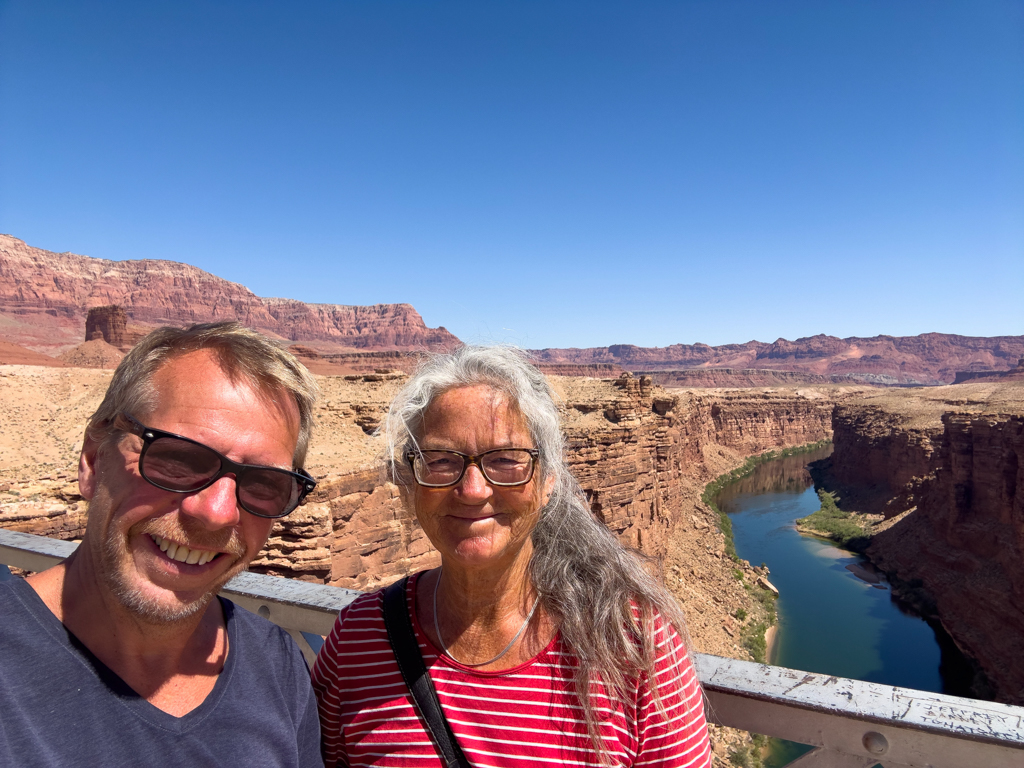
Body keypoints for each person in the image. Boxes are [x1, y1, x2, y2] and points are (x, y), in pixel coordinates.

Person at [312, 345, 712, 767]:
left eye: (506, 460)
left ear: (548, 481)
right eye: (440, 460)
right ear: (410, 482)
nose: (473, 489)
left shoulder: (632, 641)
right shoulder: (358, 638)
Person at [0, 322, 324, 767]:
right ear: (93, 461)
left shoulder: (276, 663)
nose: (216, 512)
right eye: (177, 458)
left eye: (266, 484)